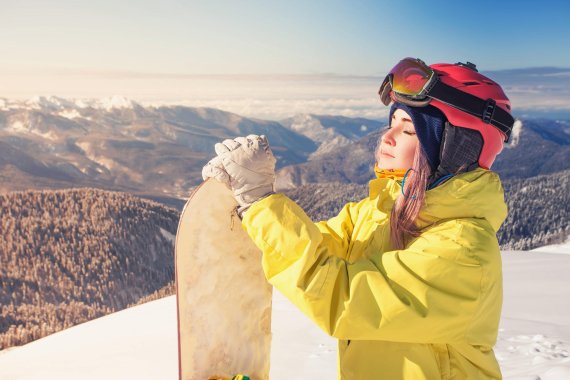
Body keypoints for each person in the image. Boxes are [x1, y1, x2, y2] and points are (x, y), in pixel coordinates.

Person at [202, 58, 515, 380]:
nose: (387, 138)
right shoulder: (375, 214)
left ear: (456, 147)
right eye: (391, 124)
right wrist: (241, 202)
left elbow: (341, 297)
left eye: (408, 129)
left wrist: (260, 202)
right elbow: (312, 249)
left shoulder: (464, 250)